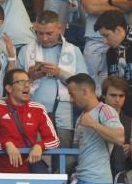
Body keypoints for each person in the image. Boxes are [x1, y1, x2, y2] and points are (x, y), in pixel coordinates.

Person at [18, 11, 88, 148]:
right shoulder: (25, 51)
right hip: (32, 114)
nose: (44, 38)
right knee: (36, 159)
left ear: (60, 29)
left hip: (63, 116)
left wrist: (60, 73)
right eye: (40, 33)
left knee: (63, 160)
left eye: (49, 33)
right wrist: (29, 76)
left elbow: (84, 84)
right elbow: (13, 85)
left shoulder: (73, 50)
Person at [66, 73, 126, 184]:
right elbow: (77, 151)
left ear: (85, 91)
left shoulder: (105, 110)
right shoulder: (81, 118)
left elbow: (120, 138)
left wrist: (93, 124)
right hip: (80, 180)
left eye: (72, 94)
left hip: (98, 182)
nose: (71, 99)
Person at [0, 68, 61, 174]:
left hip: (26, 173)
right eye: (21, 82)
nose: (27, 86)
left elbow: (54, 140)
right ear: (9, 88)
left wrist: (39, 146)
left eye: (28, 82)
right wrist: (6, 144)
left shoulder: (38, 109)